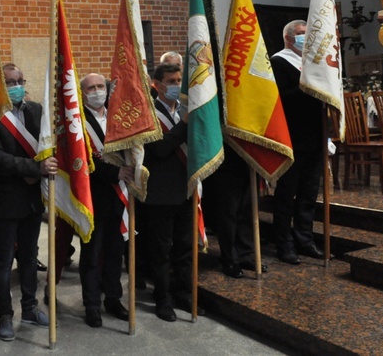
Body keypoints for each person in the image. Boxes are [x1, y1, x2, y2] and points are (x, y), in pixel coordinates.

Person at [0, 63, 57, 342]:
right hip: (5, 198)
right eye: (11, 82)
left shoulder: (36, 110)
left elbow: (47, 145)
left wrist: (41, 167)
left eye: (20, 80)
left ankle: (30, 307)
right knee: (4, 261)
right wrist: (34, 169)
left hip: (31, 198)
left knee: (29, 257)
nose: (17, 86)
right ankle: (5, 315)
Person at [143, 62, 202, 322]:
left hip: (187, 188)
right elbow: (160, 149)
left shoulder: (185, 110)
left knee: (186, 247)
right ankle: (162, 298)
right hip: (160, 192)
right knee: (162, 250)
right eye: (171, 81)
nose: (177, 85)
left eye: (179, 80)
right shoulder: (148, 113)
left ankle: (183, 293)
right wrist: (185, 124)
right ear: (157, 85)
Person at [79, 73, 134, 327]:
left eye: (101, 86)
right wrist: (115, 173)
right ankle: (91, 305)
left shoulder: (117, 115)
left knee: (115, 252)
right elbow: (83, 162)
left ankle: (113, 299)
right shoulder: (78, 122)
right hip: (92, 198)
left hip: (118, 196)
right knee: (92, 255)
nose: (97, 91)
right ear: (82, 92)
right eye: (91, 87)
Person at [270, 20, 325, 264]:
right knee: (286, 195)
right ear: (289, 38)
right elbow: (279, 100)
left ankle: (305, 239)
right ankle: (284, 244)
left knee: (308, 194)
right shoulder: (278, 62)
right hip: (291, 138)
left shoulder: (313, 63)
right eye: (302, 35)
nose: (305, 38)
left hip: (315, 137)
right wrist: (306, 85)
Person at [201, 144, 267, 278]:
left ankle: (245, 255)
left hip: (249, 154)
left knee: (247, 208)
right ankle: (229, 258)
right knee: (228, 211)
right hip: (226, 153)